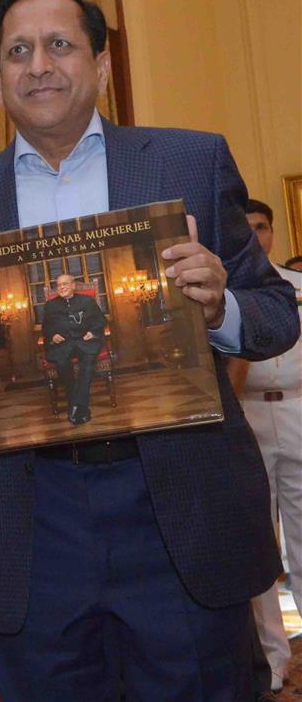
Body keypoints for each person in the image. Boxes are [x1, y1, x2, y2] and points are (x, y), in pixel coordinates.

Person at [0, 0, 298, 700]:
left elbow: (276, 310)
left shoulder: (188, 162)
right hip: (30, 521)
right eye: (17, 51)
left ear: (101, 65)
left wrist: (219, 306)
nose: (38, 65)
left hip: (176, 511)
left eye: (59, 45)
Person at [230, 198, 301, 694]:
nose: (256, 237)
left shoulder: (295, 289)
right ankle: (272, 658)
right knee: (256, 539)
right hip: (246, 412)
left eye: (262, 227)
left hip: (298, 408)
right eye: (246, 229)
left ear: (273, 232)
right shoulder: (224, 291)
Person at [38, 273, 107, 425]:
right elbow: (46, 327)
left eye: (65, 284)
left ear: (73, 285)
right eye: (59, 285)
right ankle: (78, 406)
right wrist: (53, 335)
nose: (62, 287)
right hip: (63, 344)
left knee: (87, 364)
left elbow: (101, 320)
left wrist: (92, 332)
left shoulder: (87, 301)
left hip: (85, 341)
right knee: (63, 365)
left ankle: (76, 407)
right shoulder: (50, 305)